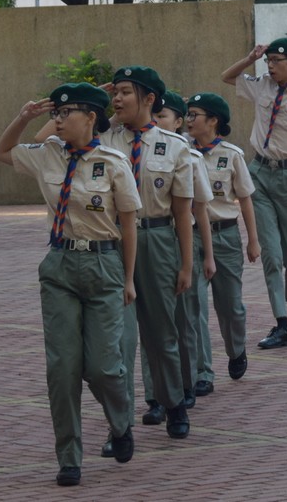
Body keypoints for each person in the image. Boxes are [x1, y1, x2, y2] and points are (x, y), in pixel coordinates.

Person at [0, 83, 139, 487]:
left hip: (104, 264)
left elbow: (129, 224)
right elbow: (3, 152)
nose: (57, 120)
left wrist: (129, 278)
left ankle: (120, 423)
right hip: (60, 265)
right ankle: (69, 457)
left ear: (91, 117)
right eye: (54, 114)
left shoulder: (113, 162)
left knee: (103, 367)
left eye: (65, 113)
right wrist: (23, 118)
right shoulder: (48, 155)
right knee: (62, 369)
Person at [104, 66, 195, 440]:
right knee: (118, 339)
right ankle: (120, 423)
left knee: (161, 333)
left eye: (125, 92)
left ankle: (174, 404)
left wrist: (186, 264)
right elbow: (46, 136)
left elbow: (183, 213)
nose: (118, 98)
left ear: (150, 99)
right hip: (112, 242)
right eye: (115, 92)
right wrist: (100, 99)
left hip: (157, 240)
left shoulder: (175, 146)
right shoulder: (105, 139)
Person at [221, 37, 287, 348]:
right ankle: (281, 323)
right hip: (258, 172)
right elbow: (227, 76)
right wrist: (249, 58)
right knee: (271, 254)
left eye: (277, 61)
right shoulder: (262, 86)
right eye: (268, 61)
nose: (270, 66)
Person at [137, 90, 214, 412]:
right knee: (150, 324)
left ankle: (188, 381)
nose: (156, 121)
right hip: (141, 240)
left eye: (163, 115)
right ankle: (156, 394)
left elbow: (198, 211)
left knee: (182, 319)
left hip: (177, 241)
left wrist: (205, 256)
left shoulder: (188, 156)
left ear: (178, 121)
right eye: (154, 115)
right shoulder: (127, 149)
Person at [186, 92, 261, 389]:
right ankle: (203, 372)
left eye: (195, 115)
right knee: (195, 306)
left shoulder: (231, 155)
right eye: (187, 114)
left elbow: (245, 199)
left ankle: (236, 349)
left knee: (231, 306)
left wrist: (253, 240)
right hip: (191, 236)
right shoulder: (182, 152)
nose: (189, 120)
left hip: (225, 235)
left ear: (213, 120)